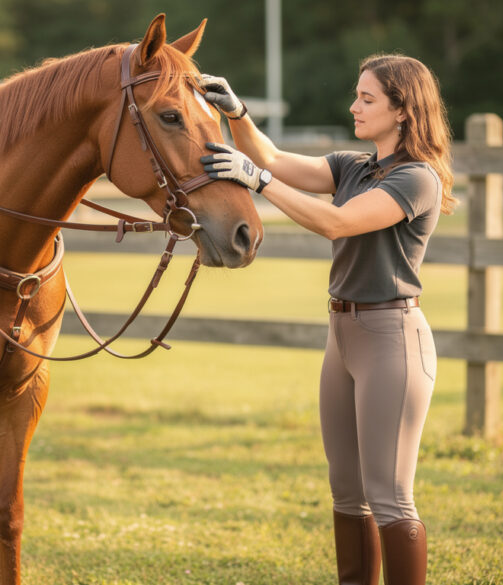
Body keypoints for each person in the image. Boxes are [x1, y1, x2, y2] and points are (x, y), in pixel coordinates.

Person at [199, 54, 455, 585]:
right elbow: (267, 155)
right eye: (357, 95)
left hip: (391, 341)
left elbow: (338, 223)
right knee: (347, 491)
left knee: (389, 497)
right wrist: (237, 112)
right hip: (342, 336)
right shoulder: (353, 166)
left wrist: (259, 183)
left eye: (367, 99)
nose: (353, 106)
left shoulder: (417, 179)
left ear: (403, 111)